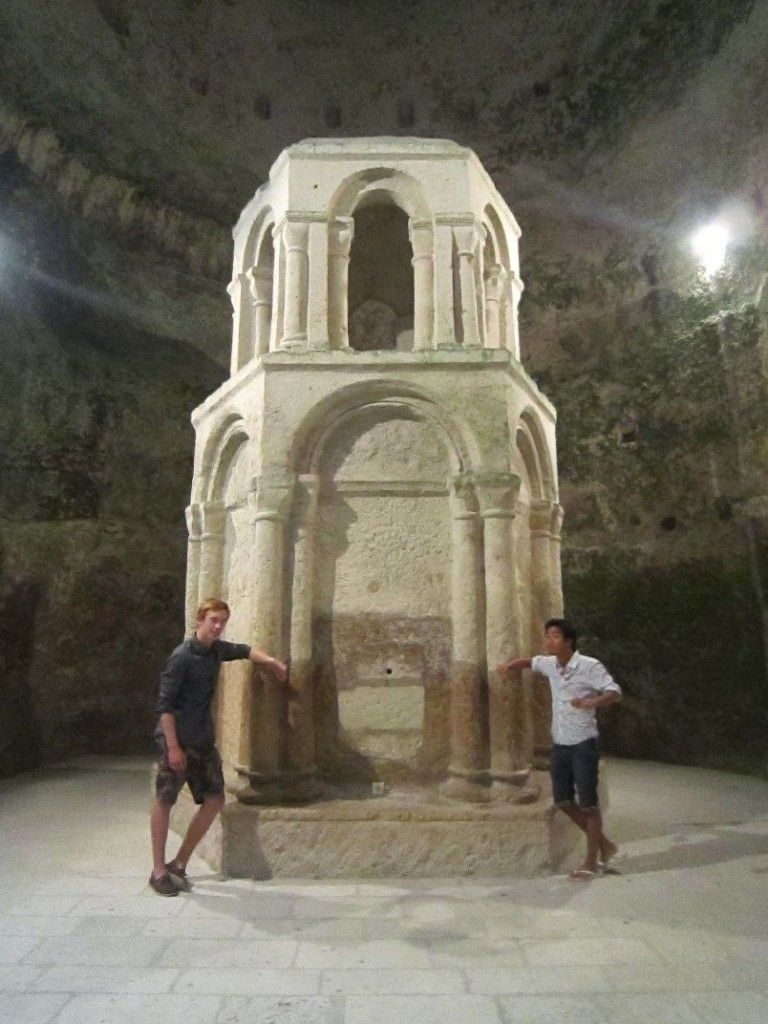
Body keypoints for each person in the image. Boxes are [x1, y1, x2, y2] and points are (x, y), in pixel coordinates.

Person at [149, 597, 288, 896]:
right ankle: (158, 871)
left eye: (223, 621)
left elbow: (244, 650)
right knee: (164, 800)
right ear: (200, 620)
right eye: (213, 620)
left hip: (202, 740)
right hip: (177, 740)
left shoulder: (216, 650)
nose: (218, 626)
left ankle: (179, 863)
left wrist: (271, 662)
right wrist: (173, 748)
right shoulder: (181, 657)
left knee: (214, 800)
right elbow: (165, 707)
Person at [498, 618, 621, 881]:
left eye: (554, 636)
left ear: (568, 641)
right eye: (547, 636)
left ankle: (591, 861)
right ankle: (604, 845)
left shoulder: (589, 666)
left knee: (588, 804)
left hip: (584, 743)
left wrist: (591, 702)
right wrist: (509, 666)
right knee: (563, 800)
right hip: (561, 744)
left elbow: (614, 692)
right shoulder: (550, 664)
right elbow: (529, 662)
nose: (549, 641)